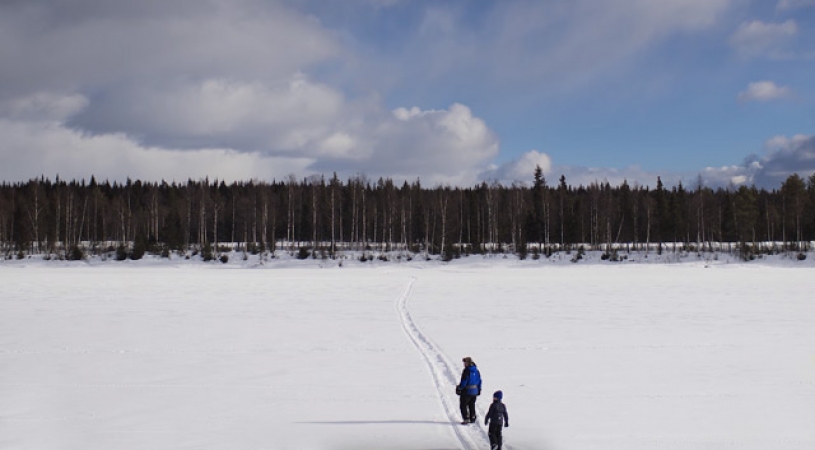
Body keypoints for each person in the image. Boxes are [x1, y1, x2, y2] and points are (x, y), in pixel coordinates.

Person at [456, 356, 481, 424]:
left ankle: (466, 418)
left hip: (467, 391)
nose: (464, 364)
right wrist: (479, 389)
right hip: (475, 391)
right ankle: (472, 417)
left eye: (464, 363)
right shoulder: (476, 370)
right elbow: (479, 380)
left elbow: (464, 381)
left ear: (467, 363)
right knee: (471, 404)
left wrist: (459, 388)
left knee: (463, 405)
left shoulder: (466, 371)